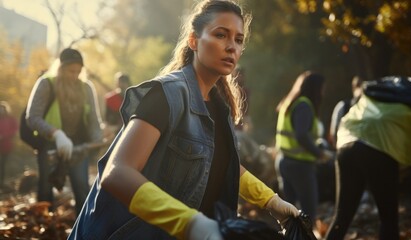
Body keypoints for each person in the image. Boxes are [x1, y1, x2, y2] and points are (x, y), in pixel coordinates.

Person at [68, 1, 299, 239]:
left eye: (238, 40)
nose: (231, 47)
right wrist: (189, 223)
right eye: (221, 35)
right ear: (194, 41)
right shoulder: (167, 94)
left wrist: (271, 201)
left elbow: (219, 164)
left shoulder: (220, 108)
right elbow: (117, 173)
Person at [325, 83, 411, 240]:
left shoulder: (392, 93)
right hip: (378, 146)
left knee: (342, 217)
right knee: (388, 219)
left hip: (347, 141)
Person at [26, 48, 103, 214]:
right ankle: (44, 226)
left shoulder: (86, 88)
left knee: (82, 186)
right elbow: (32, 117)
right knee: (46, 188)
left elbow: (94, 122)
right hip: (50, 145)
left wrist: (98, 141)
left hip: (78, 146)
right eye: (70, 71)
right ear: (60, 68)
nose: (74, 75)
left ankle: (82, 229)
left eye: (78, 71)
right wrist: (57, 134)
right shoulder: (47, 84)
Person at [274, 71, 333, 224]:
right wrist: (320, 153)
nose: (324, 91)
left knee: (288, 214)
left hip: (284, 161)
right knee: (309, 213)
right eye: (322, 87)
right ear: (316, 88)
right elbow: (302, 135)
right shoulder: (304, 105)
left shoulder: (289, 103)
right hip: (300, 166)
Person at [328, 75, 363, 147]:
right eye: (358, 86)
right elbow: (334, 132)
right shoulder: (343, 106)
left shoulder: (371, 110)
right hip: (344, 149)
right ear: (353, 88)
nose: (360, 89)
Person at [0, 101, 18, 191]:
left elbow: (15, 130)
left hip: (8, 145)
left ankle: (10, 184)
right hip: (1, 146)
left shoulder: (11, 119)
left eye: (3, 109)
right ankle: (2, 183)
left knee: (9, 164)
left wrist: (5, 136)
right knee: (2, 165)